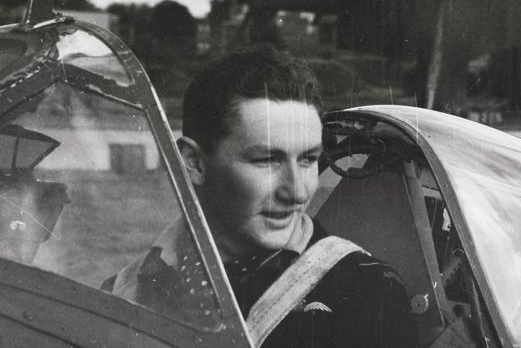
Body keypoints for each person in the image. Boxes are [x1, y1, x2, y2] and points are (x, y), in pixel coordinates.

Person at [105, 44, 416, 348]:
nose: (296, 190)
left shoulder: (367, 297)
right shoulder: (125, 288)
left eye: (307, 159)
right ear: (195, 162)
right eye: (267, 160)